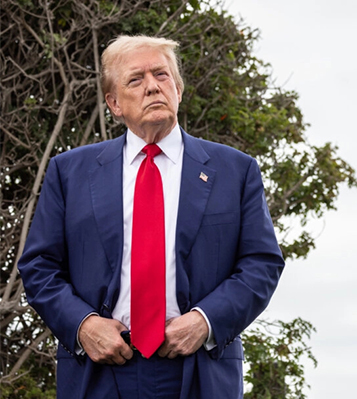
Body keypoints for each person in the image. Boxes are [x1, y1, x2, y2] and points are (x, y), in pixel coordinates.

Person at [17, 35, 285, 399]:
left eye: (161, 75)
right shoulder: (69, 172)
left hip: (200, 369)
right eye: (135, 79)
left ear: (178, 88)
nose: (152, 86)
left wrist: (205, 321)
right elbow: (38, 265)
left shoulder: (236, 170)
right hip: (98, 370)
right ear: (113, 103)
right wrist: (83, 326)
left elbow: (261, 263)